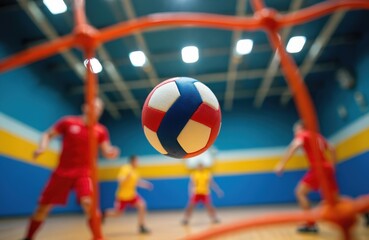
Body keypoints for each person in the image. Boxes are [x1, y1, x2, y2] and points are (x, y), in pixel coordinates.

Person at [23, 98, 120, 240]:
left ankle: (98, 237)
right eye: (94, 106)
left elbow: (107, 150)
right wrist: (42, 147)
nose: (96, 110)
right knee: (42, 208)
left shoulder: (101, 131)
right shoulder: (68, 122)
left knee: (89, 204)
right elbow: (47, 134)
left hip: (84, 173)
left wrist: (112, 152)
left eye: (99, 108)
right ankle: (28, 237)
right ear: (85, 107)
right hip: (62, 172)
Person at [274, 121, 338, 233]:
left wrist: (282, 164)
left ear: (300, 128)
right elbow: (332, 148)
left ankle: (310, 224)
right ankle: (364, 211)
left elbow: (296, 145)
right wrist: (332, 165)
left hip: (318, 168)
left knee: (300, 192)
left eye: (295, 131)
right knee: (334, 198)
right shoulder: (317, 136)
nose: (295, 133)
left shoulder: (303, 134)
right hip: (327, 167)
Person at [103, 155, 153, 234]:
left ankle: (141, 226)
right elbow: (120, 180)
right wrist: (126, 178)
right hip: (122, 196)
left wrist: (146, 185)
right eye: (137, 161)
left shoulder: (135, 171)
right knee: (117, 214)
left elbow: (136, 182)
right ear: (133, 161)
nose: (138, 163)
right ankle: (104, 214)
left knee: (142, 205)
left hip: (132, 195)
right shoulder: (126, 168)